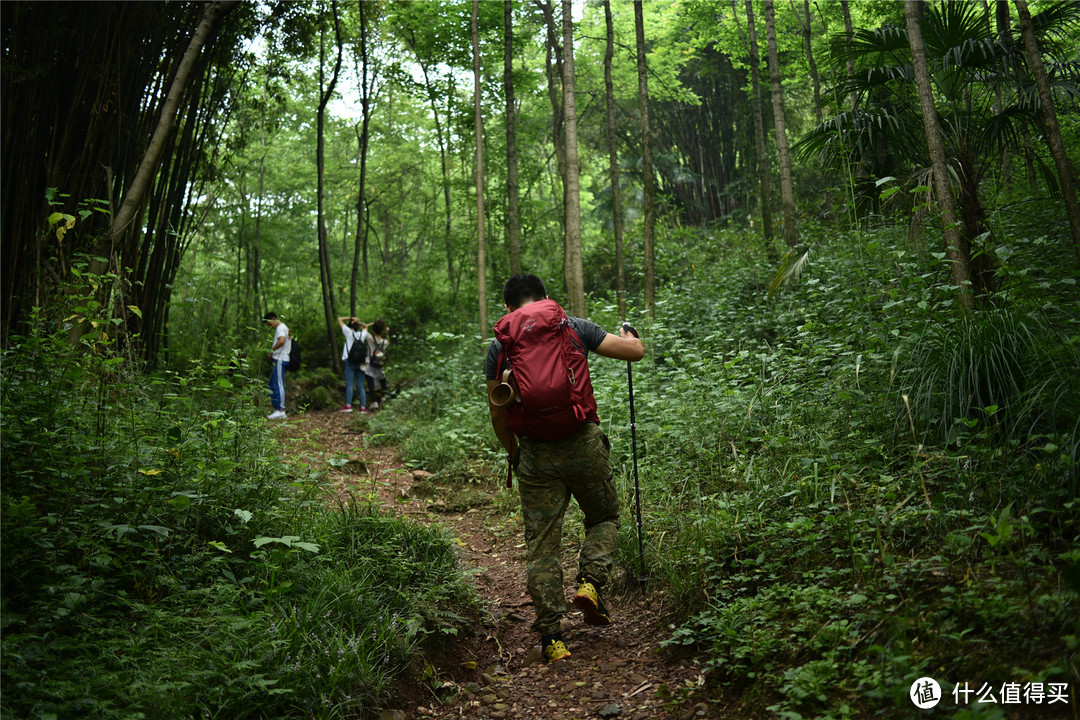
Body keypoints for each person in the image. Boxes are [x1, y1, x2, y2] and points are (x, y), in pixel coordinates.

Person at [484, 274, 644, 664]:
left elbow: (498, 414)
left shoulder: (500, 346)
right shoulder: (572, 326)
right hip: (582, 441)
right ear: (546, 298)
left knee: (542, 545)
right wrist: (630, 334)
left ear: (507, 308)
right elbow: (634, 353)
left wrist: (515, 455)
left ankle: (552, 638)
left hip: (536, 454)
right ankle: (590, 582)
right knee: (603, 515)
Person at [262, 312, 292, 420]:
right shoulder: (284, 327)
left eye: (269, 324)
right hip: (280, 359)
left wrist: (271, 350)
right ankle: (277, 409)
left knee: (278, 384)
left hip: (280, 358)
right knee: (272, 385)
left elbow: (281, 340)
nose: (270, 327)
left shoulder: (280, 327)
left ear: (273, 319)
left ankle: (280, 410)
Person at [337, 316, 368, 413]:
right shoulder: (362, 335)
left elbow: (339, 319)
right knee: (360, 385)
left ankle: (348, 405)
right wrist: (359, 321)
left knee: (349, 384)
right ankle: (363, 407)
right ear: (358, 326)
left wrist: (351, 318)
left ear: (349, 326)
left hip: (349, 361)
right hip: (361, 362)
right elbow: (366, 327)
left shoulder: (348, 332)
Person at [363, 319, 389, 410]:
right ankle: (384, 397)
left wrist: (369, 325)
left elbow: (364, 328)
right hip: (380, 363)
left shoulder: (370, 338)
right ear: (381, 330)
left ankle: (374, 402)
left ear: (373, 330)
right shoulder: (384, 342)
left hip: (370, 364)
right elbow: (387, 342)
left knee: (370, 383)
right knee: (383, 381)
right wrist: (386, 333)